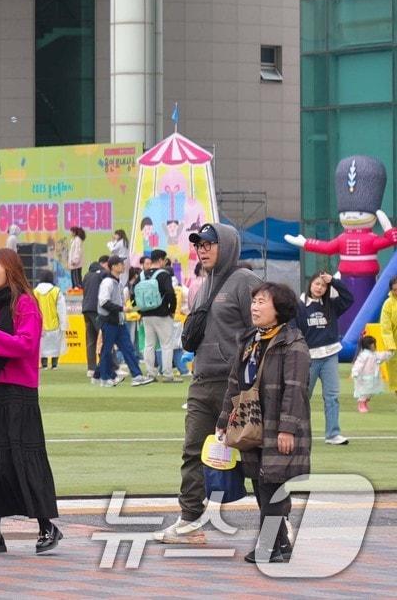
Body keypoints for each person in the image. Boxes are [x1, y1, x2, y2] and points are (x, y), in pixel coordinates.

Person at [156, 222, 263, 545]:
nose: (202, 249)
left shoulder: (246, 282)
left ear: (227, 245)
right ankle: (189, 521)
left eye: (209, 244)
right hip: (202, 381)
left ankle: (276, 523)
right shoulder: (203, 284)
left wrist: (252, 378)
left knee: (254, 455)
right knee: (192, 451)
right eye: (199, 244)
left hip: (238, 386)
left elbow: (263, 329)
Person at [0, 248, 63, 555]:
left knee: (21, 458)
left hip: (17, 392)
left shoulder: (25, 303)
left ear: (10, 269)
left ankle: (47, 526)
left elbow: (27, 344)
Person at [215, 282, 310, 564]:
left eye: (262, 302)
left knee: (272, 486)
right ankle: (281, 546)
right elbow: (235, 383)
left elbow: (295, 389)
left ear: (279, 310)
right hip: (250, 424)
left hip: (278, 427)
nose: (255, 307)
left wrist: (287, 429)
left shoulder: (293, 344)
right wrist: (223, 421)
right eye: (254, 301)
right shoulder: (250, 340)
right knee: (260, 483)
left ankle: (268, 547)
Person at [293, 272, 353, 444]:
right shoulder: (299, 306)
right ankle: (296, 432)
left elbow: (349, 298)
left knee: (332, 396)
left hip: (330, 356)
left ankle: (333, 434)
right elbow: (293, 330)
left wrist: (333, 281)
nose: (319, 288)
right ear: (310, 284)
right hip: (308, 358)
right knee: (303, 396)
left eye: (323, 285)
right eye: (316, 284)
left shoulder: (331, 305)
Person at [93, 257, 153, 387]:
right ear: (113, 266)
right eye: (120, 264)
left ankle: (137, 375)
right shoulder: (108, 282)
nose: (123, 266)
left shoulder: (117, 282)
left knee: (128, 348)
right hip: (108, 321)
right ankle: (103, 377)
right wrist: (122, 308)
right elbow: (103, 302)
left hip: (118, 321)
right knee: (107, 350)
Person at [136, 250, 178, 381]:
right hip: (162, 314)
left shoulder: (142, 275)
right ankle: (167, 374)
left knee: (149, 345)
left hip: (146, 315)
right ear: (161, 260)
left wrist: (141, 311)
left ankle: (150, 373)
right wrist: (172, 309)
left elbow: (134, 294)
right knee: (166, 345)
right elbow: (170, 293)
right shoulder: (164, 275)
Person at [79, 256, 107, 377]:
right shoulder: (102, 274)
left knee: (90, 340)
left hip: (86, 310)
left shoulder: (86, 276)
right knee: (102, 337)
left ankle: (91, 368)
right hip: (97, 310)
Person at [33, 270, 66, 370]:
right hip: (54, 324)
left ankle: (44, 364)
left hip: (40, 325)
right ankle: (54, 364)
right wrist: (63, 323)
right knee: (55, 345)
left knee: (42, 346)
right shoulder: (56, 291)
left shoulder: (35, 291)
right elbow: (61, 309)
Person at [352, 334, 391, 411]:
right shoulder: (363, 355)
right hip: (365, 377)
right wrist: (355, 372)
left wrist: (389, 353)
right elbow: (358, 364)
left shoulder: (374, 354)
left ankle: (365, 403)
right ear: (368, 345)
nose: (374, 346)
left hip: (373, 377)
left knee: (370, 392)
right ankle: (361, 404)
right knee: (364, 391)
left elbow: (382, 356)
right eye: (373, 344)